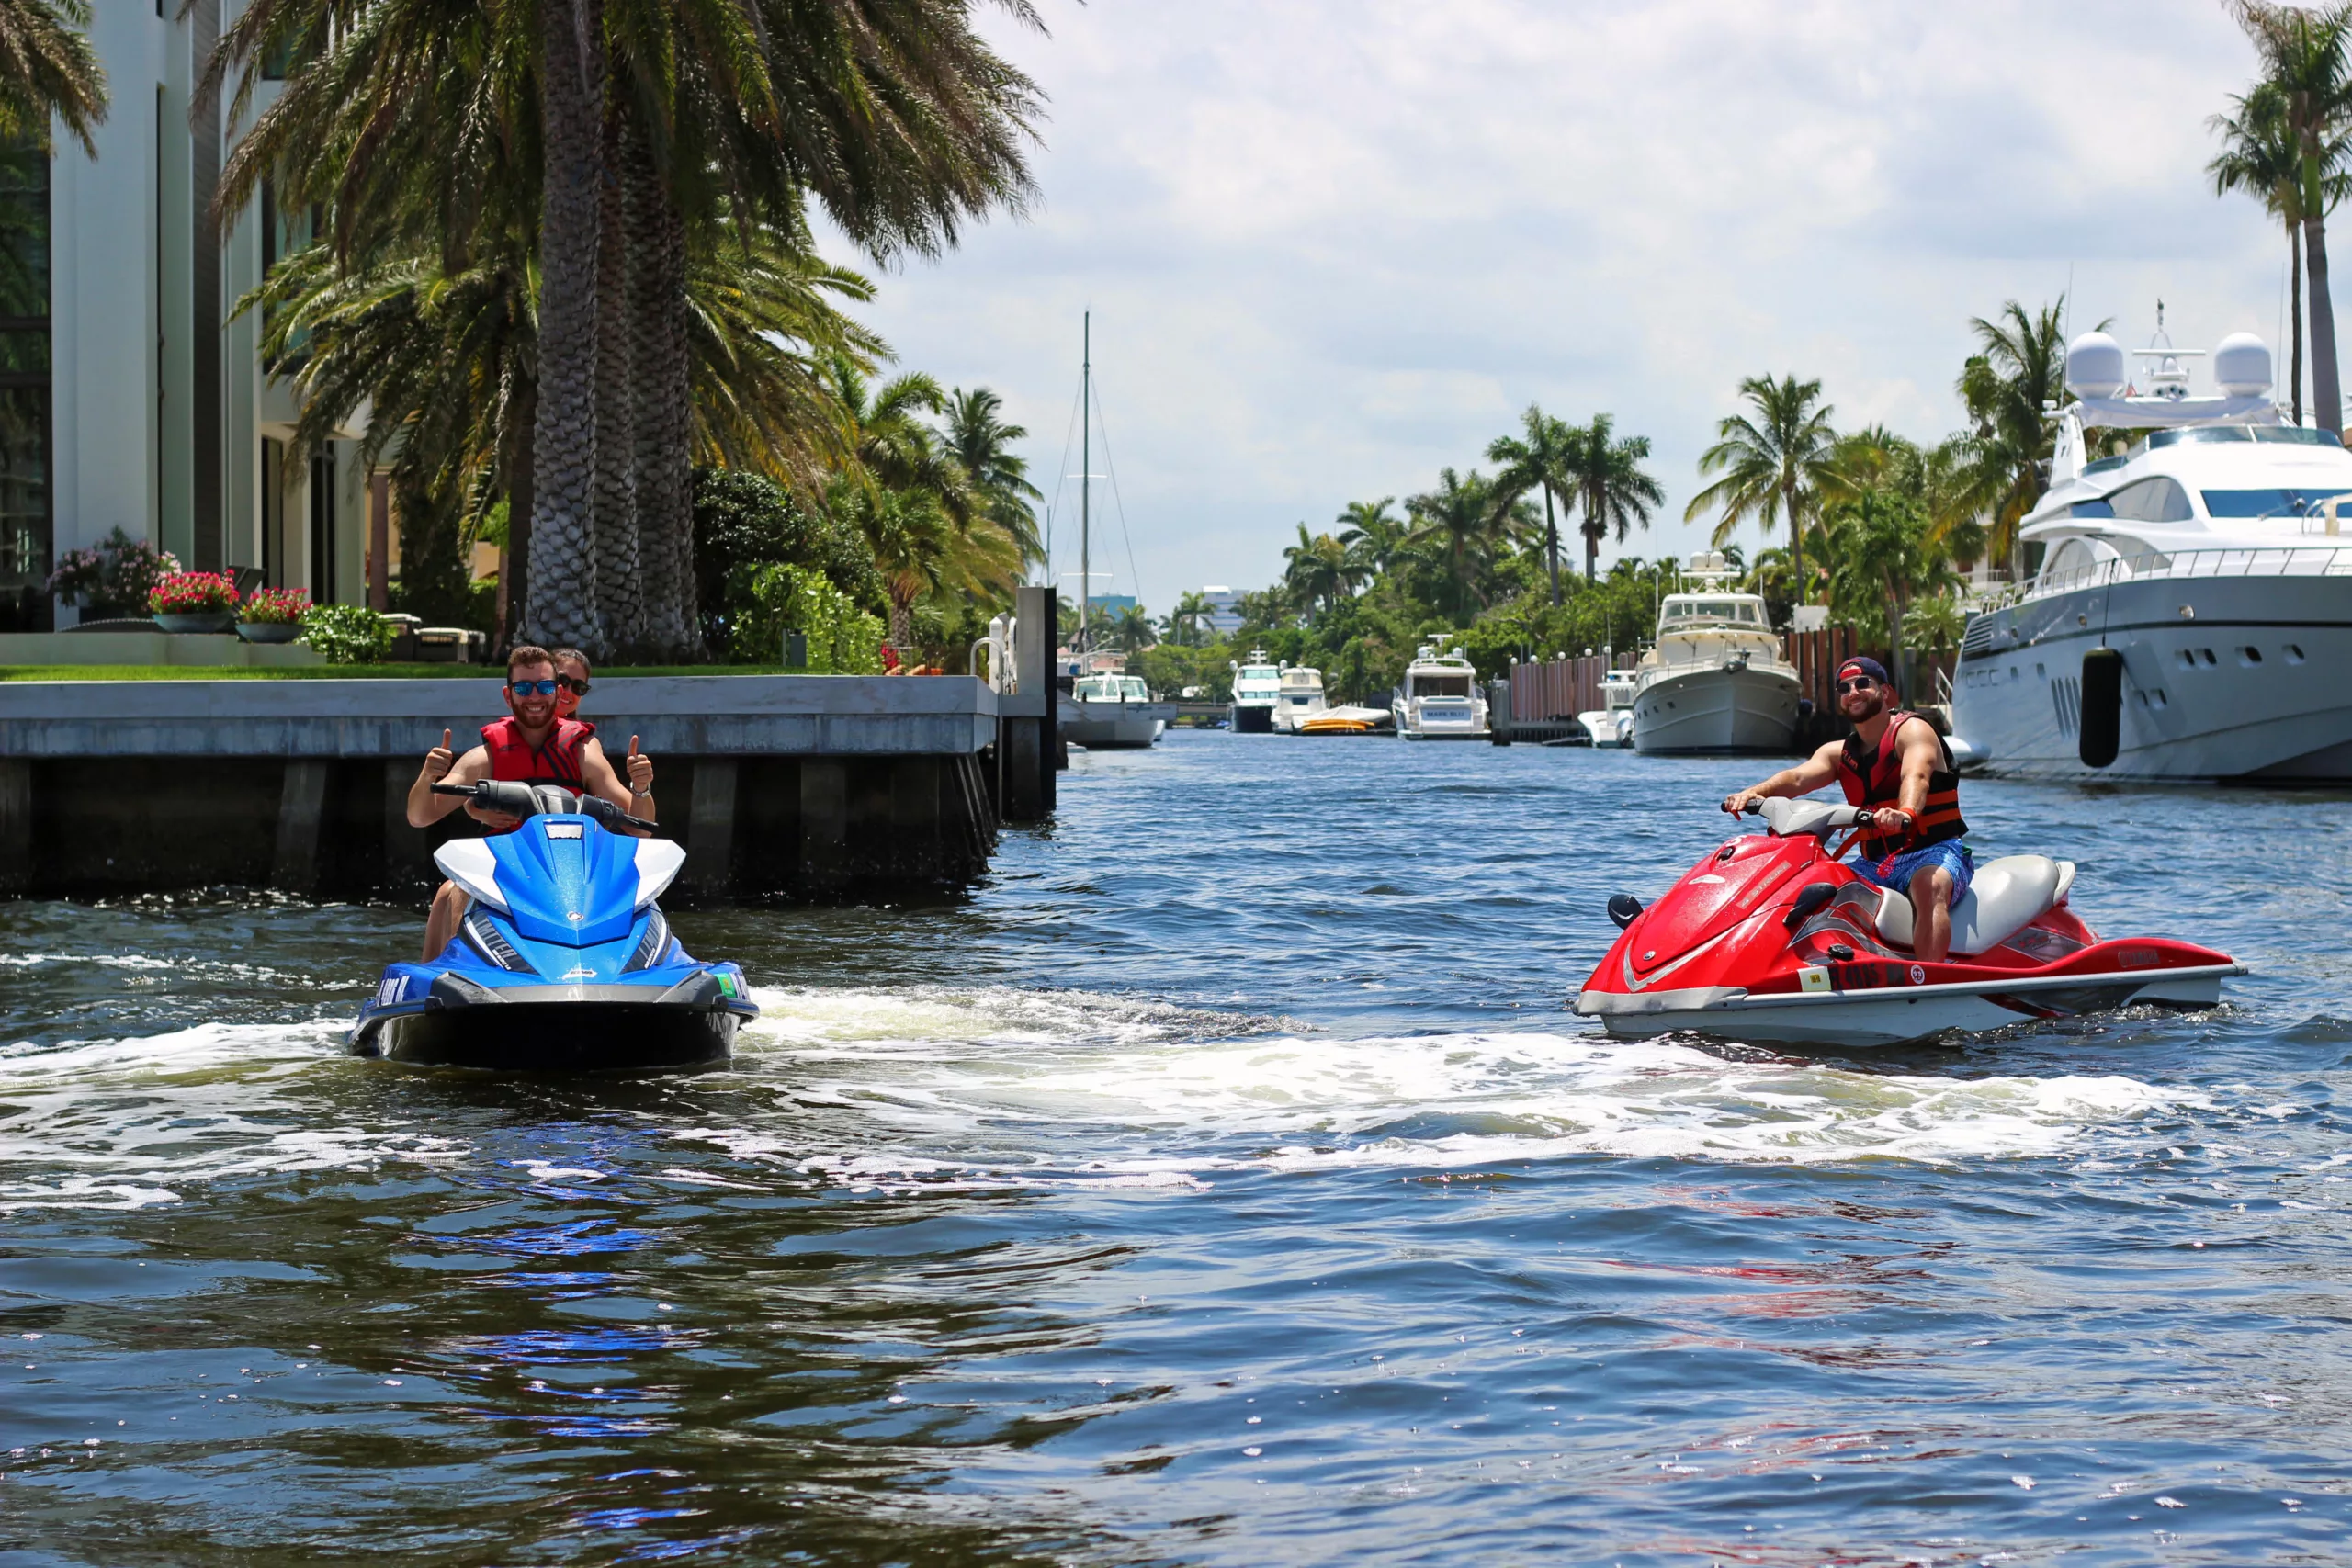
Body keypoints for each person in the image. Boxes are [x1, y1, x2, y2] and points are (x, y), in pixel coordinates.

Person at [404, 645, 655, 961]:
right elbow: (419, 816)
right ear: (508, 696)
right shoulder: (485, 757)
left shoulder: (583, 752)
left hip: (574, 875)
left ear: (556, 692)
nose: (534, 696)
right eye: (523, 688)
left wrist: (641, 788)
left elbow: (641, 828)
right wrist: (428, 776)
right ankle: (454, 972)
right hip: (503, 874)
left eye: (544, 687)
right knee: (455, 890)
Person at [1720, 655, 1973, 961]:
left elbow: (1916, 775)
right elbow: (1797, 778)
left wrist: (1905, 812)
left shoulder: (1913, 731)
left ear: (1885, 692)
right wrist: (1752, 793)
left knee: (1929, 887)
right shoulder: (1838, 753)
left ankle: (1929, 977)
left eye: (1863, 683)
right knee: (1812, 886)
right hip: (1875, 863)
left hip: (1934, 852)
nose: (1853, 692)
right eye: (1844, 687)